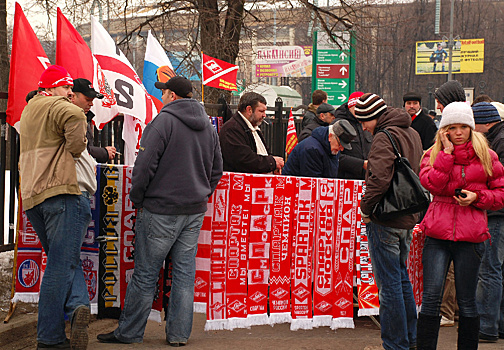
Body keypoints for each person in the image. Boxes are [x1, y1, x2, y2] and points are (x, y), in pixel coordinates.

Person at [96, 76, 223, 346]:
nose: (162, 95)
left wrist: (138, 198)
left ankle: (129, 332)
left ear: (172, 96)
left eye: (164, 91)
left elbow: (144, 167)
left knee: (146, 274)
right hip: (193, 209)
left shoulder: (163, 121)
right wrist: (201, 192)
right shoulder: (208, 127)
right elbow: (216, 169)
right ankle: (178, 335)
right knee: (184, 275)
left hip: (161, 209)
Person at [417, 102, 504, 350]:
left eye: (463, 127)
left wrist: (478, 198)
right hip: (437, 235)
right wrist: (446, 154)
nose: (458, 132)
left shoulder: (487, 156)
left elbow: (500, 193)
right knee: (431, 298)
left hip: (471, 236)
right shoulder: (432, 154)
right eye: (451, 127)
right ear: (443, 130)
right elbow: (431, 184)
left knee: (467, 301)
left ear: (471, 128)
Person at [19, 65, 90, 349]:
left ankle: (77, 306)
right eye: (67, 90)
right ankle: (49, 339)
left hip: (33, 196)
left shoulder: (29, 110)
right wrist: (77, 145)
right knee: (60, 266)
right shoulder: (57, 105)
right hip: (60, 193)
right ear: (51, 88)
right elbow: (75, 114)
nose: (71, 96)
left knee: (64, 260)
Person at [356, 93, 423, 350]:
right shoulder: (412, 132)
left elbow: (379, 179)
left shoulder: (385, 136)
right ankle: (410, 338)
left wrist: (365, 208)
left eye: (364, 120)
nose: (363, 127)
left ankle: (395, 344)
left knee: (389, 285)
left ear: (374, 116)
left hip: (385, 218)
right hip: (407, 216)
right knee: (401, 278)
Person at [433, 80, 467, 327]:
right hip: (445, 213)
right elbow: (431, 180)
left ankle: (447, 310)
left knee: (454, 269)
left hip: (460, 213)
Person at [472, 102, 504, 343]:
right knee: (498, 269)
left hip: (496, 213)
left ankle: (486, 326)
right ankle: (497, 325)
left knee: (489, 270)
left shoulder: (497, 143)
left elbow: (492, 177)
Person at [219, 92, 284, 173]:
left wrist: (273, 166)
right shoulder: (231, 129)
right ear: (249, 110)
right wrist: (272, 162)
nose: (264, 115)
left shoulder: (253, 127)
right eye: (261, 111)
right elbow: (244, 160)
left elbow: (264, 154)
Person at [281, 120, 356, 178]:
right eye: (340, 145)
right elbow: (312, 184)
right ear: (330, 136)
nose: (341, 149)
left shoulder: (332, 148)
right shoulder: (311, 149)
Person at [71, 78, 117, 163]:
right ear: (73, 96)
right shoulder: (71, 119)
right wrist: (104, 152)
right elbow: (80, 150)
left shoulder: (84, 116)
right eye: (87, 100)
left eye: (92, 100)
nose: (91, 104)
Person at [332, 91, 371, 179]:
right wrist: (361, 164)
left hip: (366, 178)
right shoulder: (339, 124)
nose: (359, 111)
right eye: (356, 107)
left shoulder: (368, 124)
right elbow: (333, 154)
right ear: (350, 107)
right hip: (345, 178)